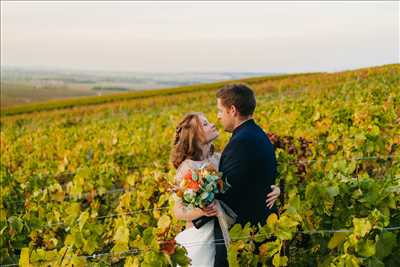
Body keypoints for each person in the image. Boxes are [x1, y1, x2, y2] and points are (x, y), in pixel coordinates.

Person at [171, 107, 279, 266]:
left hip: (225, 230)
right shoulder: (187, 168)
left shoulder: (220, 158)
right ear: (195, 135)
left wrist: (273, 188)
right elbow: (178, 211)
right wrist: (202, 210)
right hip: (201, 236)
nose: (213, 124)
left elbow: (246, 180)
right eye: (205, 124)